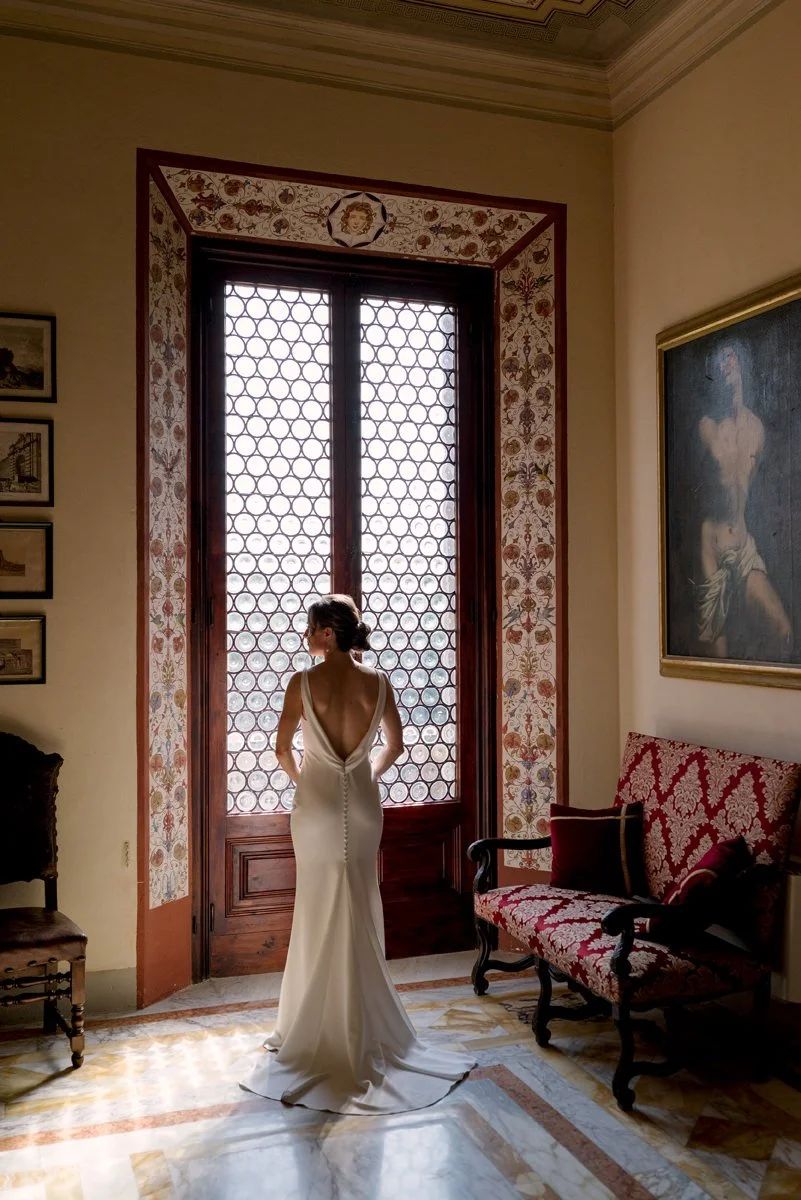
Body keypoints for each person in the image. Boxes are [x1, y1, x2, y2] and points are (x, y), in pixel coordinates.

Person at [240, 594, 475, 1114]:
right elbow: (396, 744)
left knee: (318, 905)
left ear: (327, 633)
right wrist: (366, 775)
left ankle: (310, 1023)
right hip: (364, 805)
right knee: (359, 899)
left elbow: (281, 750)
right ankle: (367, 1021)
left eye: (310, 627)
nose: (304, 636)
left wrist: (307, 782)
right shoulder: (379, 682)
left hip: (318, 805)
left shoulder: (302, 683)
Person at [695, 340, 792, 660]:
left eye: (731, 358)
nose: (726, 367)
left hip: (745, 548)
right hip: (714, 547)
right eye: (719, 363)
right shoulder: (707, 428)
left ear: (742, 364)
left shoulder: (757, 430)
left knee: (783, 631)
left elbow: (752, 490)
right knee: (717, 657)